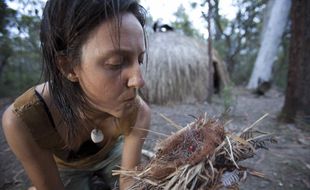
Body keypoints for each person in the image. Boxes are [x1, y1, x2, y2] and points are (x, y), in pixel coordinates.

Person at [1, 0, 150, 189]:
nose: (138, 80)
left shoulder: (138, 112)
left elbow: (129, 180)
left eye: (140, 60)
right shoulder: (24, 121)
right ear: (68, 66)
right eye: (116, 62)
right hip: (65, 169)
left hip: (113, 156)